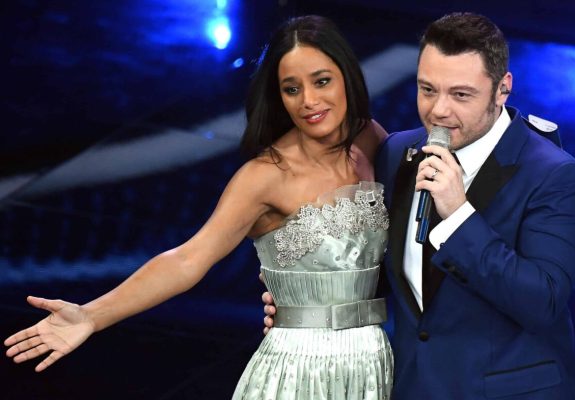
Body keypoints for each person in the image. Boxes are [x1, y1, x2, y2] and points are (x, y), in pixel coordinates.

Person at [4, 15, 394, 399]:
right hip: (302, 369)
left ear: (347, 76)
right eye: (291, 89)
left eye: (322, 81)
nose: (309, 101)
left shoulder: (370, 138)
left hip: (373, 360)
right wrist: (92, 315)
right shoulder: (265, 176)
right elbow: (188, 259)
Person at [265, 12, 575, 399]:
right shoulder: (396, 153)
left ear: (502, 89)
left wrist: (458, 215)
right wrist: (311, 303)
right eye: (427, 89)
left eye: (460, 95)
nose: (438, 110)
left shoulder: (555, 175)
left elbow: (542, 302)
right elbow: (392, 275)